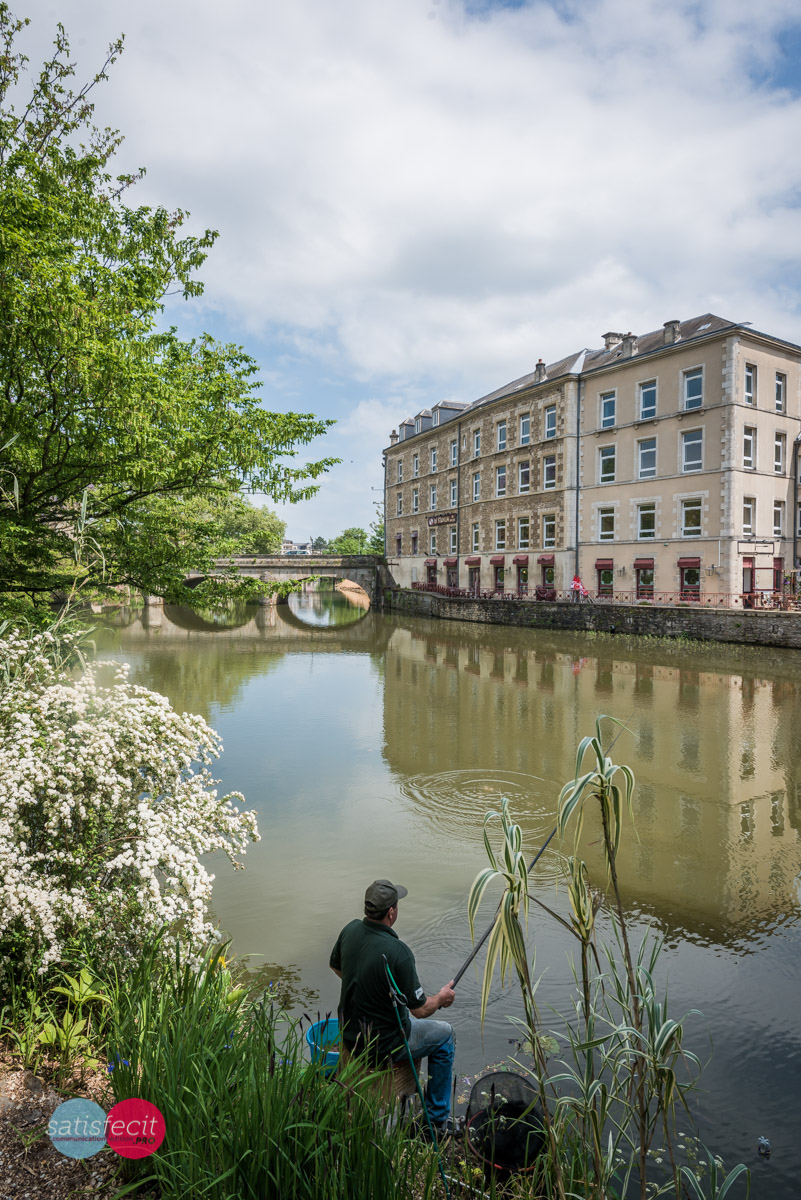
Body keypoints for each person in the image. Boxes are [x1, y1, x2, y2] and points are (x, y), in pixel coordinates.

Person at [330, 879, 456, 1135]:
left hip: (350, 1034)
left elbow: (336, 966)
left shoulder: (350, 930)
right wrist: (442, 997)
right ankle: (436, 1121)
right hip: (385, 1045)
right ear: (391, 912)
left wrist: (367, 985)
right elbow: (420, 1010)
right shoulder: (399, 952)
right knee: (446, 1035)